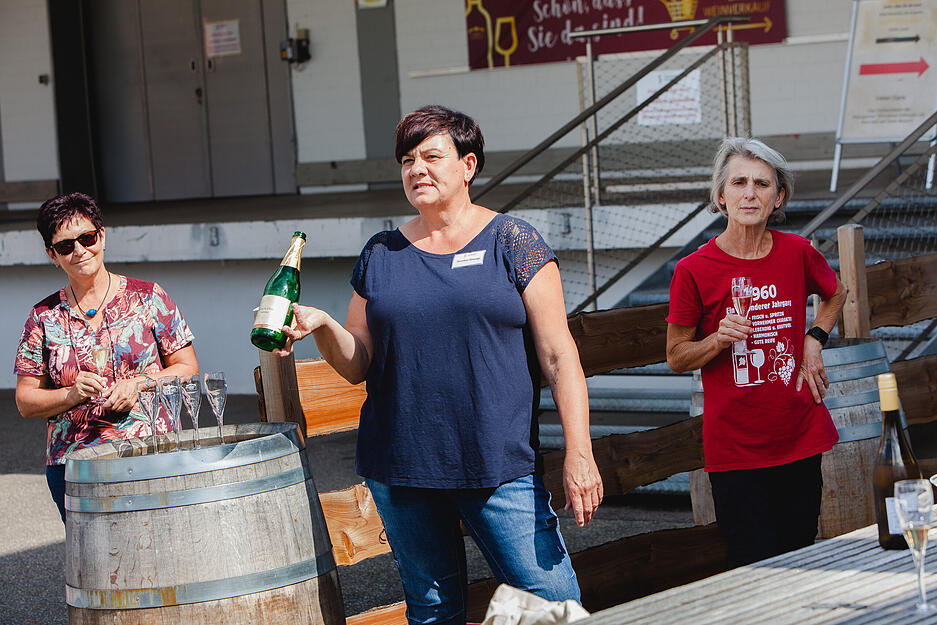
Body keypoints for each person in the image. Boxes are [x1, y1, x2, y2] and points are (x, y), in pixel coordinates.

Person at [277, 105, 603, 623]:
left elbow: (560, 357)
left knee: (555, 606)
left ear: (468, 165)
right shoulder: (381, 253)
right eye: (407, 160)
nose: (417, 169)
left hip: (497, 465)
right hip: (401, 465)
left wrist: (579, 452)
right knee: (432, 612)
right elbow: (358, 362)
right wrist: (321, 325)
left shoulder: (513, 242)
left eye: (431, 156)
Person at [666, 138, 847, 568]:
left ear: (778, 197)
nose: (750, 193)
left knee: (800, 559)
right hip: (737, 450)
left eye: (762, 184)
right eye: (739, 183)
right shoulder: (693, 270)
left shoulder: (797, 252)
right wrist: (717, 339)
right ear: (721, 196)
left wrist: (814, 338)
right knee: (754, 568)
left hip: (799, 436)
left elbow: (836, 292)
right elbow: (676, 356)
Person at [14, 192, 199, 523]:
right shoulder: (43, 317)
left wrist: (138, 384)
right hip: (76, 467)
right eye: (65, 246)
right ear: (52, 255)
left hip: (152, 454)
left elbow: (187, 368)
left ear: (102, 236)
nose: (79, 251)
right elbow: (26, 401)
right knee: (96, 556)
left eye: (86, 238)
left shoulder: (149, 297)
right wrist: (71, 394)